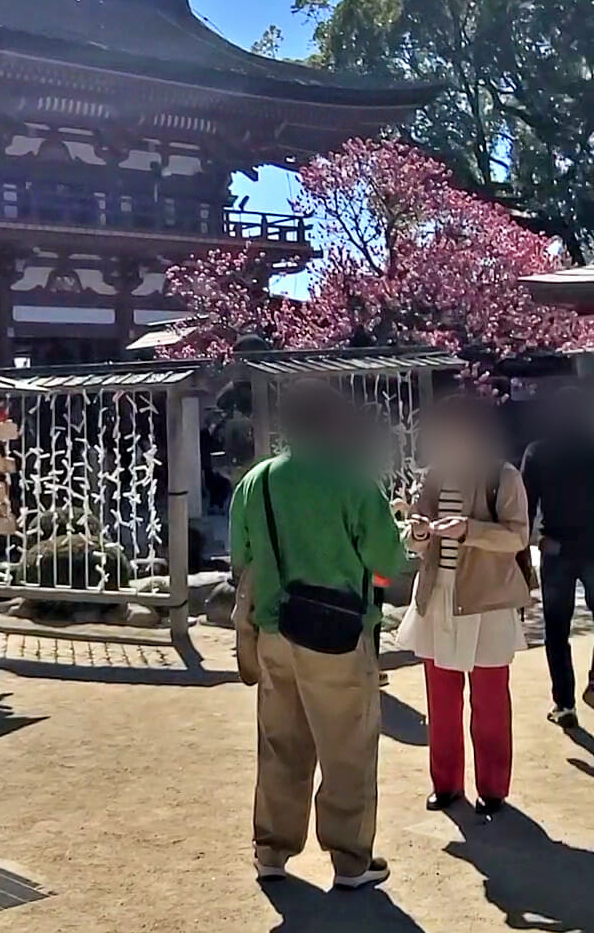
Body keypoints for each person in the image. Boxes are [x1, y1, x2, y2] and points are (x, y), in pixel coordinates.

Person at [229, 381, 406, 890]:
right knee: (346, 748)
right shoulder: (352, 482)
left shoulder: (256, 482)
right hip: (337, 634)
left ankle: (271, 850)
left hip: (272, 632)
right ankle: (350, 860)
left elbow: (240, 556)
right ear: (333, 422)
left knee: (280, 744)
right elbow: (387, 562)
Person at [397, 396, 530, 816]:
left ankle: (493, 789)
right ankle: (447, 784)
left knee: (490, 704)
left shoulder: (502, 476)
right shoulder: (434, 477)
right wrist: (417, 532)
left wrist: (469, 530)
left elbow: (517, 536)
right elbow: (416, 542)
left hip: (487, 601)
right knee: (442, 702)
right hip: (439, 597)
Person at [521, 385, 594, 729]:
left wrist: (522, 554)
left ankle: (564, 703)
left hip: (555, 547)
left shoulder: (538, 453)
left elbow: (526, 507)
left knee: (556, 629)